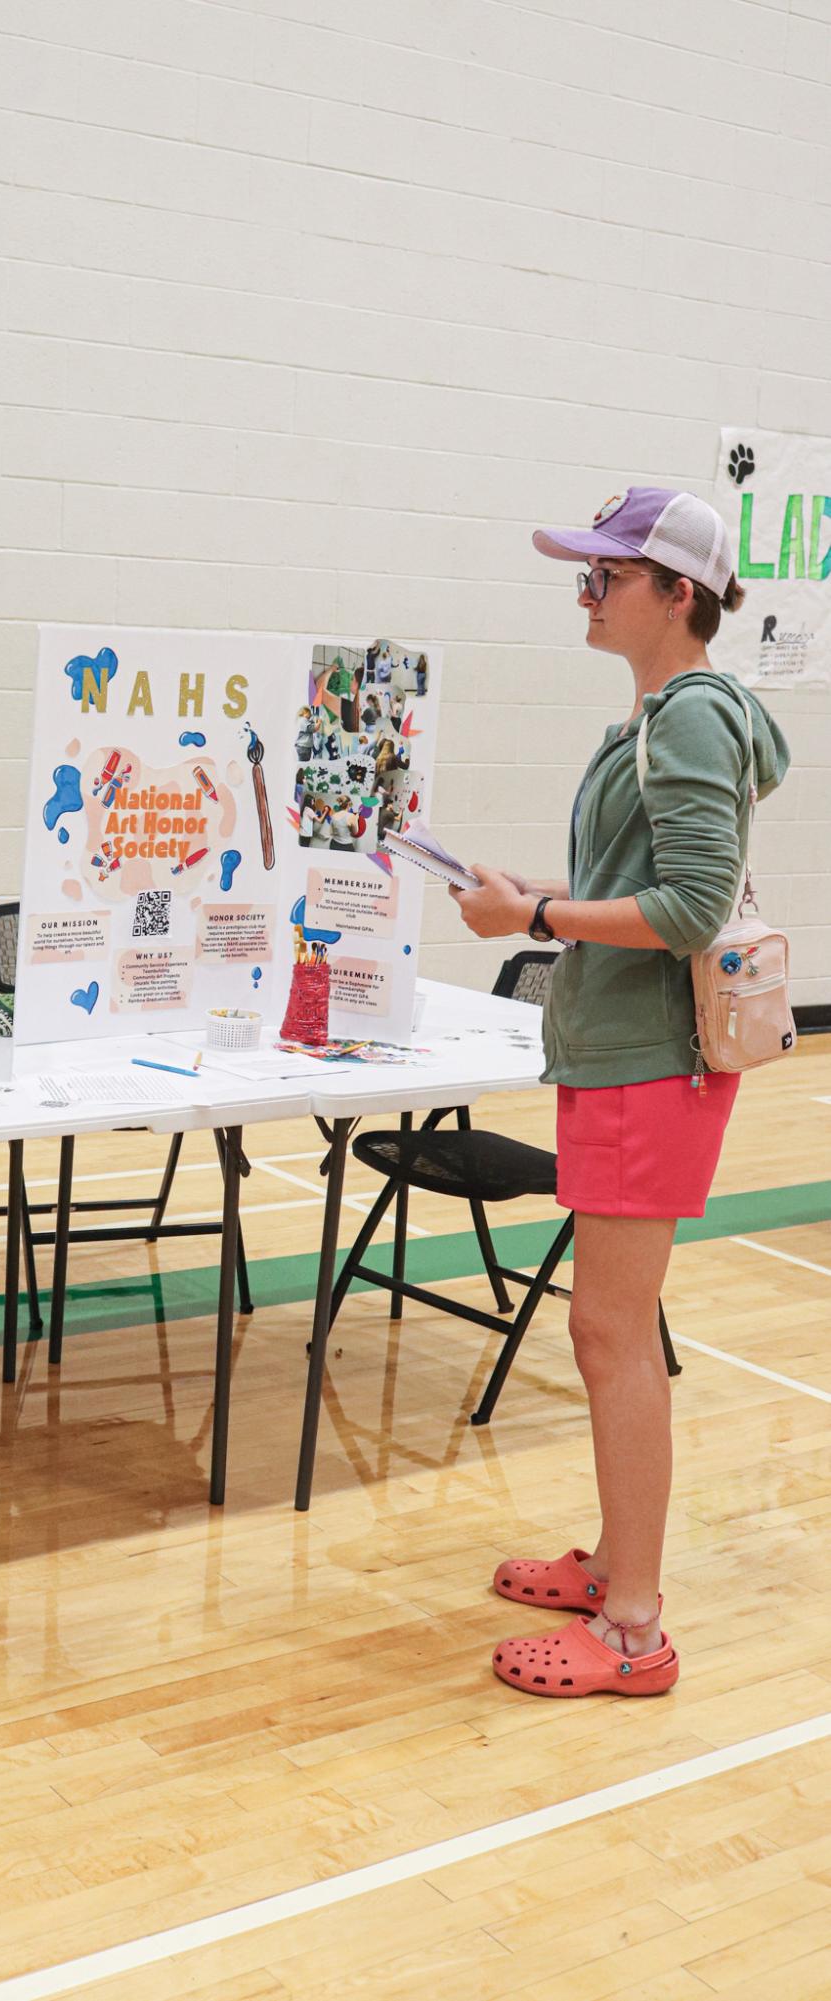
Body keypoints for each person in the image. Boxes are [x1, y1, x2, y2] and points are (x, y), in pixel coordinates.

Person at [451, 487, 789, 1699]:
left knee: (610, 1334)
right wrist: (532, 891)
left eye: (605, 577)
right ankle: (616, 1564)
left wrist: (532, 915)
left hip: (650, 1062)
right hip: (618, 1053)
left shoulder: (691, 720)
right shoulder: (656, 717)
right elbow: (640, 882)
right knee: (608, 1332)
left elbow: (691, 910)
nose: (583, 594)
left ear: (675, 595)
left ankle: (634, 1627)